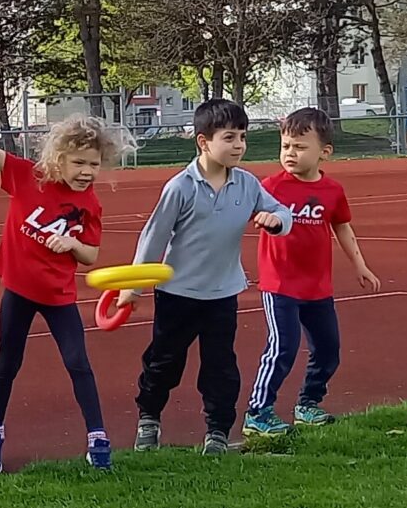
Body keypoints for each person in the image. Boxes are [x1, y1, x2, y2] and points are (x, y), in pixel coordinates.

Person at [0, 96, 132, 474]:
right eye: (78, 162)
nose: (87, 171)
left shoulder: (90, 203)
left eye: (94, 164)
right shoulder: (28, 177)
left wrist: (73, 244)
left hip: (59, 296)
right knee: (7, 364)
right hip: (20, 291)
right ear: (59, 159)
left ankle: (97, 438)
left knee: (79, 363)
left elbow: (91, 255)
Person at [121, 100, 293, 455]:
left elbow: (279, 210)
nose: (238, 145)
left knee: (221, 366)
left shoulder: (246, 184)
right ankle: (149, 419)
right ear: (203, 142)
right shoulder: (180, 187)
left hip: (222, 294)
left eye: (242, 137)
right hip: (178, 293)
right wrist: (134, 287)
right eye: (229, 137)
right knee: (164, 361)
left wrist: (277, 221)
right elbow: (153, 237)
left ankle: (217, 431)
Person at [244, 107, 380, 435]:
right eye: (286, 146)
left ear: (325, 152)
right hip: (280, 285)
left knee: (328, 349)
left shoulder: (332, 191)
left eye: (300, 147)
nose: (290, 153)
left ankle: (308, 403)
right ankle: (258, 411)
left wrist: (359, 264)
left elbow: (342, 227)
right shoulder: (269, 187)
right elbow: (243, 215)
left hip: (318, 287)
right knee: (283, 348)